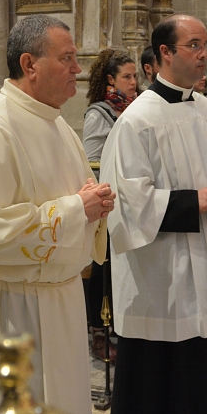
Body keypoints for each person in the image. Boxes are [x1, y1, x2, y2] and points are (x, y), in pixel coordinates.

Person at [0, 15, 116, 414]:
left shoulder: (56, 123)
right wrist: (79, 208)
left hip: (58, 300)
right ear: (29, 63)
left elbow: (72, 197)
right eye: (68, 58)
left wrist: (93, 203)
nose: (79, 68)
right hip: (11, 306)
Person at [100, 14, 207, 414]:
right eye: (193, 45)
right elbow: (127, 199)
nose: (204, 53)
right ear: (164, 54)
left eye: (205, 43)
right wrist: (193, 202)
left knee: (206, 379)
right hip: (164, 278)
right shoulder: (136, 121)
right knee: (162, 391)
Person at [83, 49, 137, 361]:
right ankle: (99, 336)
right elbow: (92, 160)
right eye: (127, 77)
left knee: (123, 272)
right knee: (103, 273)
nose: (133, 82)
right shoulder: (99, 114)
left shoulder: (133, 108)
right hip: (109, 203)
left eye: (135, 77)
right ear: (110, 80)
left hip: (130, 202)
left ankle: (122, 329)